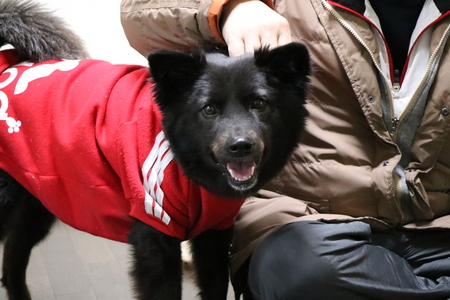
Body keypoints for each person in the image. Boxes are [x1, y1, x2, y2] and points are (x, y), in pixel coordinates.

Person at [120, 0, 450, 299]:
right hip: (309, 227)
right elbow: (138, 12)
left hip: (437, 230)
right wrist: (229, 9)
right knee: (304, 273)